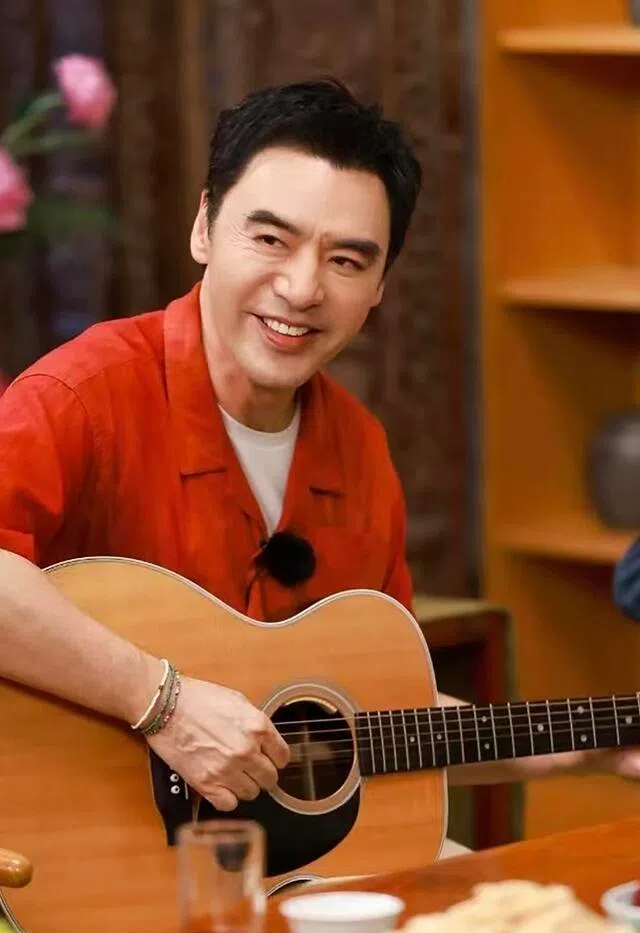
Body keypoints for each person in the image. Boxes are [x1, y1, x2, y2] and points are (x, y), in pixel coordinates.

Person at [1, 79, 638, 869]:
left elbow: (376, 717)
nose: (302, 289)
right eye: (272, 240)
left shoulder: (360, 451)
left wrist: (576, 749)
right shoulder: (81, 396)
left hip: (278, 873)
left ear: (379, 288)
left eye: (345, 260)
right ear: (204, 227)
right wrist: (162, 703)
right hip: (70, 864)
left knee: (517, 916)